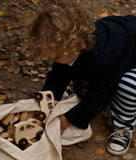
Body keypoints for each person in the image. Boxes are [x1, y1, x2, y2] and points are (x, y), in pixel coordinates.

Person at [29, 0, 136, 156]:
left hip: (129, 59)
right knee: (78, 69)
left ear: (77, 45)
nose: (53, 60)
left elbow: (100, 96)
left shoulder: (102, 59)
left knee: (128, 86)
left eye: (56, 56)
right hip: (119, 48)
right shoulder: (70, 47)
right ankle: (82, 90)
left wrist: (68, 119)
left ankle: (124, 125)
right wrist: (46, 99)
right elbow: (58, 75)